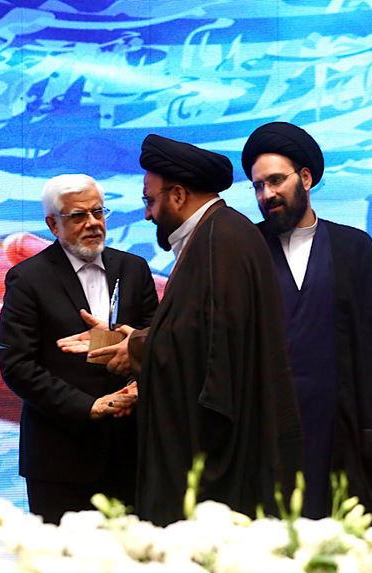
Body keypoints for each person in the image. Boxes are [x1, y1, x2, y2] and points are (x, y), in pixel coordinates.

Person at [64, 136, 304, 525]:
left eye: (150, 200)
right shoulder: (218, 233)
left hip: (223, 462)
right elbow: (196, 330)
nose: (147, 215)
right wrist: (134, 339)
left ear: (177, 195)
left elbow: (211, 348)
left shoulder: (221, 240)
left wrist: (136, 348)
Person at [241, 122, 372, 521]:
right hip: (266, 436)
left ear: (305, 178)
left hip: (340, 430)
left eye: (276, 180)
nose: (267, 194)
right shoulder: (247, 247)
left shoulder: (353, 247)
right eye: (258, 186)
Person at [0, 174, 158, 522]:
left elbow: (157, 343)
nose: (93, 223)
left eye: (98, 212)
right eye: (78, 216)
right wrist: (89, 407)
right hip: (61, 457)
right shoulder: (28, 278)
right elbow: (17, 364)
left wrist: (135, 387)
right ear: (52, 224)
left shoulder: (133, 268)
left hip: (133, 452)